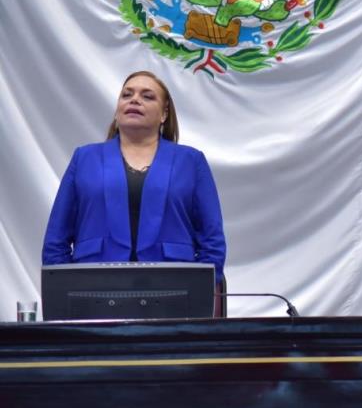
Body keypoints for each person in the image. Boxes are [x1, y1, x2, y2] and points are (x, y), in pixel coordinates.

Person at [42, 71, 226, 281]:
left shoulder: (191, 161)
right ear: (117, 110)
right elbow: (56, 238)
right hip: (93, 285)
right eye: (127, 95)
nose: (135, 100)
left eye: (147, 96)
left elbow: (212, 239)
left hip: (173, 286)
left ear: (164, 114)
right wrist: (65, 287)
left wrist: (198, 288)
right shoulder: (84, 158)